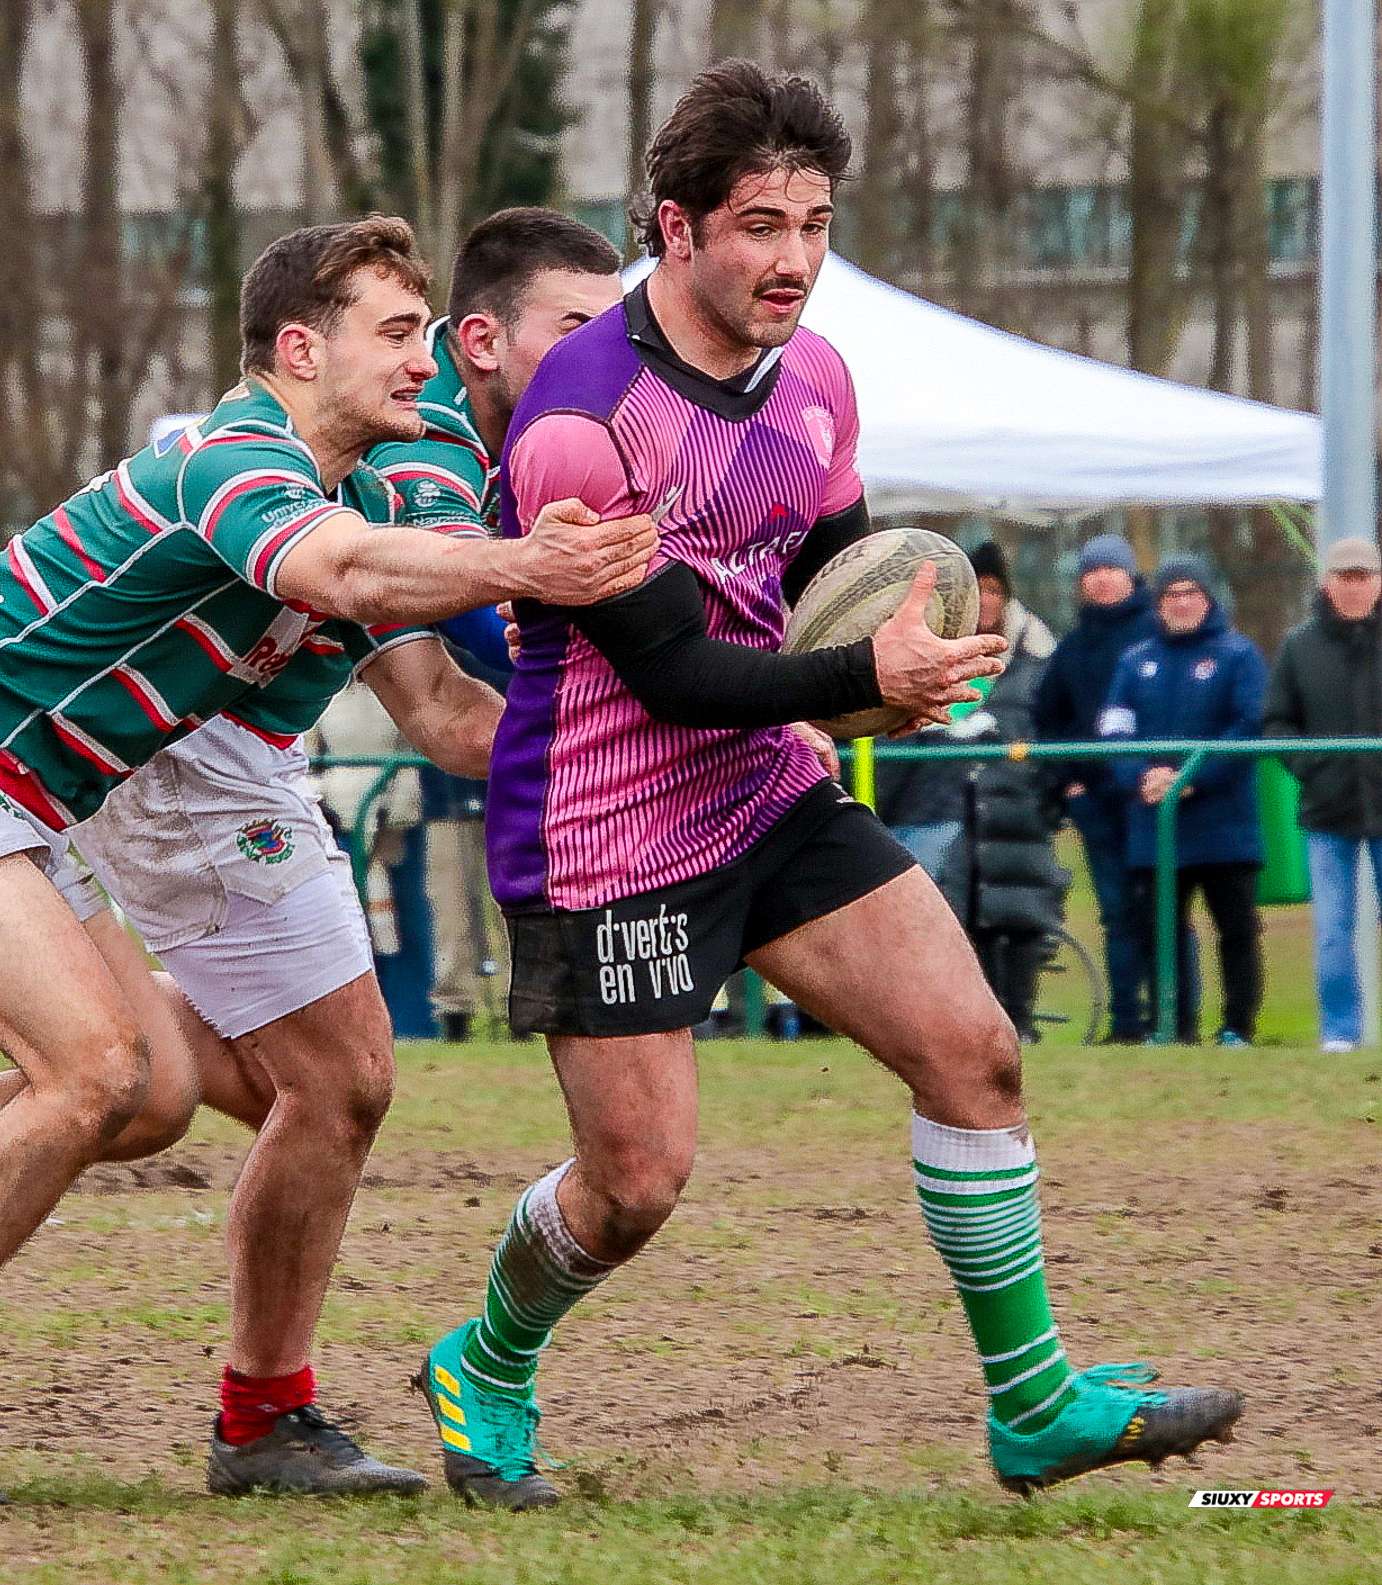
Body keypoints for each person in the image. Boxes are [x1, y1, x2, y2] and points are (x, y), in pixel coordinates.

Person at [0, 215, 653, 1510]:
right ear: (301, 348)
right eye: (395, 334)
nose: (421, 362)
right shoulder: (231, 459)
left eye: (425, 336)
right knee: (97, 1069)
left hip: (33, 796)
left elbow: (435, 705)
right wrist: (529, 565)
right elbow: (343, 571)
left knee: (155, 1092)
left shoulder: (395, 460)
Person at [412, 61, 1242, 1512]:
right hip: (606, 828)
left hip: (765, 788)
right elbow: (674, 673)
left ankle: (1035, 1402)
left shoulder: (821, 379)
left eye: (813, 221)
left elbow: (818, 585)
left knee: (975, 1052)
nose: (793, 258)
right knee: (636, 1183)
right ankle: (484, 1360)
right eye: (757, 225)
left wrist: (901, 654)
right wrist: (870, 679)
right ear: (674, 229)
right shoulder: (574, 419)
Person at [1100, 555, 1267, 1046]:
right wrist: (1142, 776)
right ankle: (1174, 1026)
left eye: (1192, 592)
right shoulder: (1136, 661)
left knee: (1235, 929)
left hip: (1224, 823)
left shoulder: (1238, 656)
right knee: (1159, 931)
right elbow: (1113, 728)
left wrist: (1193, 778)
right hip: (1155, 823)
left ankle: (1238, 1026)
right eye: (1172, 594)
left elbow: (1248, 725)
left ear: (1209, 598)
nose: (1182, 603)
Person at [1031, 533, 1161, 1042]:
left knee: (1162, 912)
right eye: (1091, 570)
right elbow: (1049, 721)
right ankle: (1126, 1021)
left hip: (1150, 799)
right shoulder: (1073, 646)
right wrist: (1071, 784)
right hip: (1096, 804)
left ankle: (1176, 1019)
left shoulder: (1157, 635)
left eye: (1111, 568)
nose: (1101, 578)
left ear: (1131, 575)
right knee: (1115, 914)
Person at [934, 543, 1064, 1041]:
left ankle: (1021, 1019)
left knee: (1021, 914)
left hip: (1019, 806)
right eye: (977, 588)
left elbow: (1047, 724)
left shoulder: (1036, 657)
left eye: (994, 589)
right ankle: (982, 1021)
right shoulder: (942, 652)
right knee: (968, 916)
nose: (986, 600)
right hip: (958, 804)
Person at [1261, 535, 1382, 1053]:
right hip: (1326, 810)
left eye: (1363, 577)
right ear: (1326, 583)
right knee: (1332, 932)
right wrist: (1311, 766)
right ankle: (1339, 1035)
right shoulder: (1299, 646)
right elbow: (1275, 722)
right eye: (1344, 577)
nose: (1354, 588)